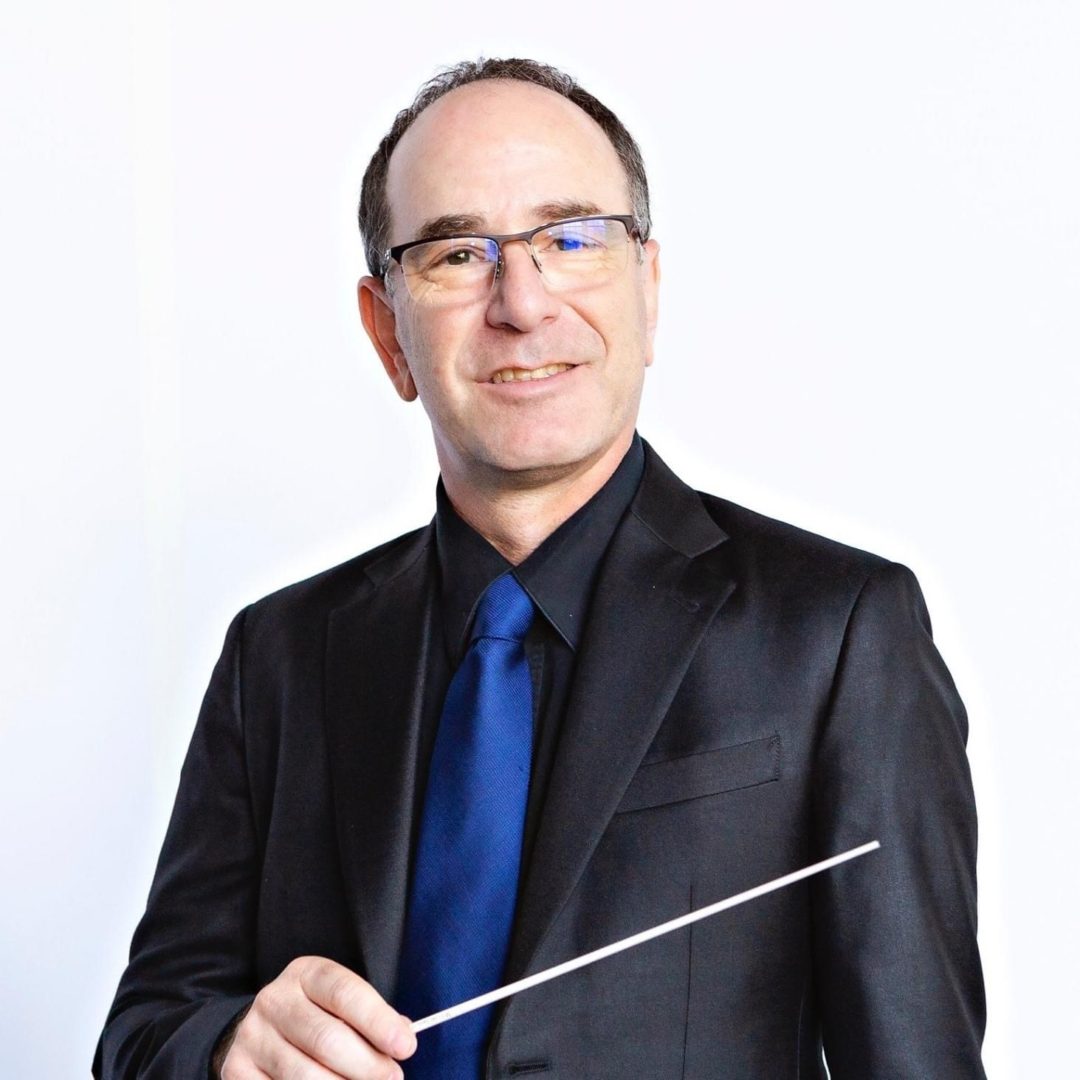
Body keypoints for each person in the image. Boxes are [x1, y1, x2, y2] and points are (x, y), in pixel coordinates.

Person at [94, 58, 986, 1079]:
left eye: (571, 239)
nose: (521, 303)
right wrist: (225, 1050)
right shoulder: (278, 655)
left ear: (648, 291)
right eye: (457, 254)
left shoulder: (838, 631)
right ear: (387, 331)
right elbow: (142, 1036)